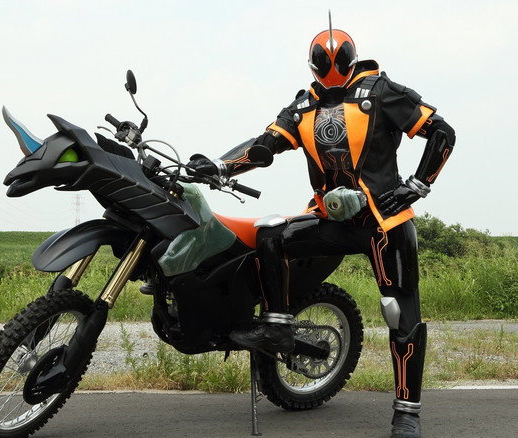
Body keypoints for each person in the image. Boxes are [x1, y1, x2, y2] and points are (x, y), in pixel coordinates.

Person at [188, 21, 455, 438]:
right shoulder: (303, 106)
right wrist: (221, 166)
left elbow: (441, 132)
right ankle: (277, 325)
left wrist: (415, 187)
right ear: (313, 65)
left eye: (338, 61)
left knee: (399, 311)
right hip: (329, 218)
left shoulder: (381, 91)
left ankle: (407, 412)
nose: (332, 68)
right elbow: (265, 145)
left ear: (350, 60)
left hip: (383, 221)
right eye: (324, 62)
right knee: (270, 236)